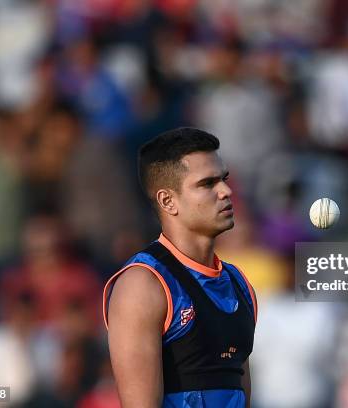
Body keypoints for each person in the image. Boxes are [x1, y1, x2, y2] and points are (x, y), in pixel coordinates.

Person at [102, 127, 257, 407]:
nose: (226, 191)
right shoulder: (143, 284)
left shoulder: (238, 283)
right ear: (167, 201)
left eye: (224, 179)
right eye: (207, 183)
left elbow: (242, 395)